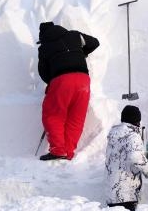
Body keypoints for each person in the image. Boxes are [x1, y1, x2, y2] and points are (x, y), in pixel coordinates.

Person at [36, 21, 100, 161]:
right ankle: (68, 151)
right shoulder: (74, 35)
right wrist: (81, 53)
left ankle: (58, 150)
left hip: (62, 81)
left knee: (53, 115)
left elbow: (43, 72)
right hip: (83, 80)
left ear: (43, 36)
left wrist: (52, 82)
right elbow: (95, 42)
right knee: (76, 117)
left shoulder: (44, 47)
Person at [105, 105, 148, 211]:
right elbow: (135, 156)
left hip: (112, 193)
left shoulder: (114, 135)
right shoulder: (132, 135)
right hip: (126, 193)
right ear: (137, 120)